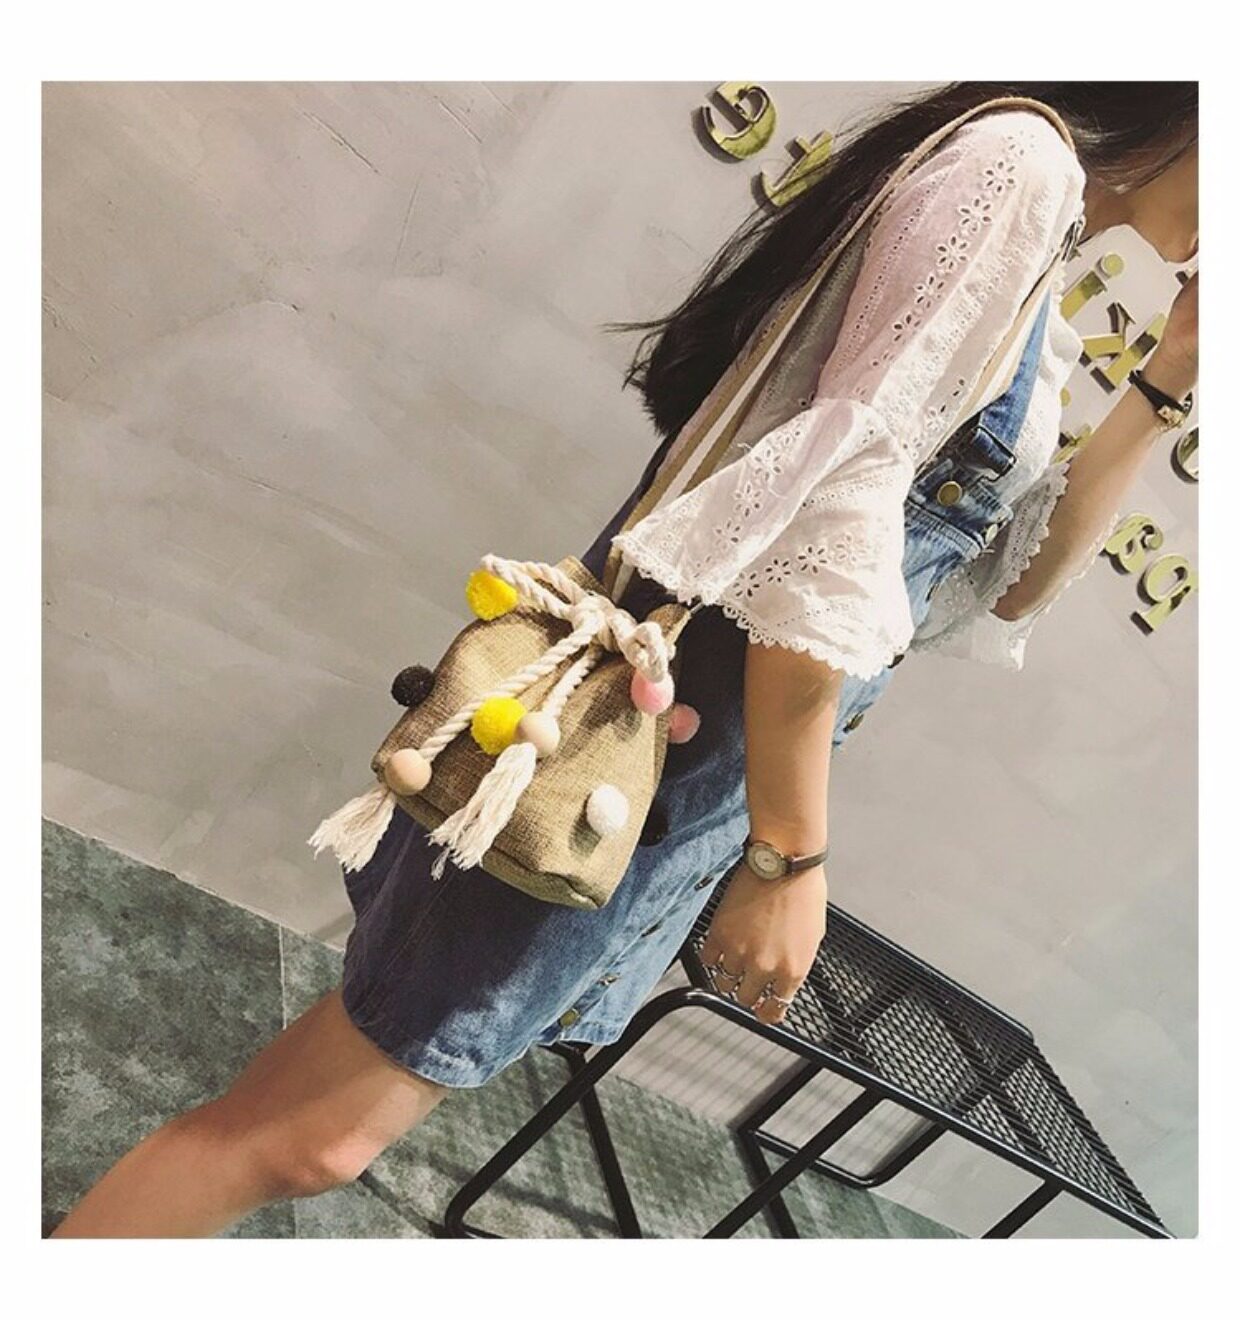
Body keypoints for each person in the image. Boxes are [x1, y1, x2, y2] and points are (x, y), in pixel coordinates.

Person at [52, 81, 1198, 1238]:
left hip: (667, 775)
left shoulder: (1042, 266)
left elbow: (990, 591)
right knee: (313, 1137)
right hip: (636, 746)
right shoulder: (1019, 167)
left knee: (334, 1094)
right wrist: (786, 857)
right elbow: (819, 545)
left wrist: (1162, 386)